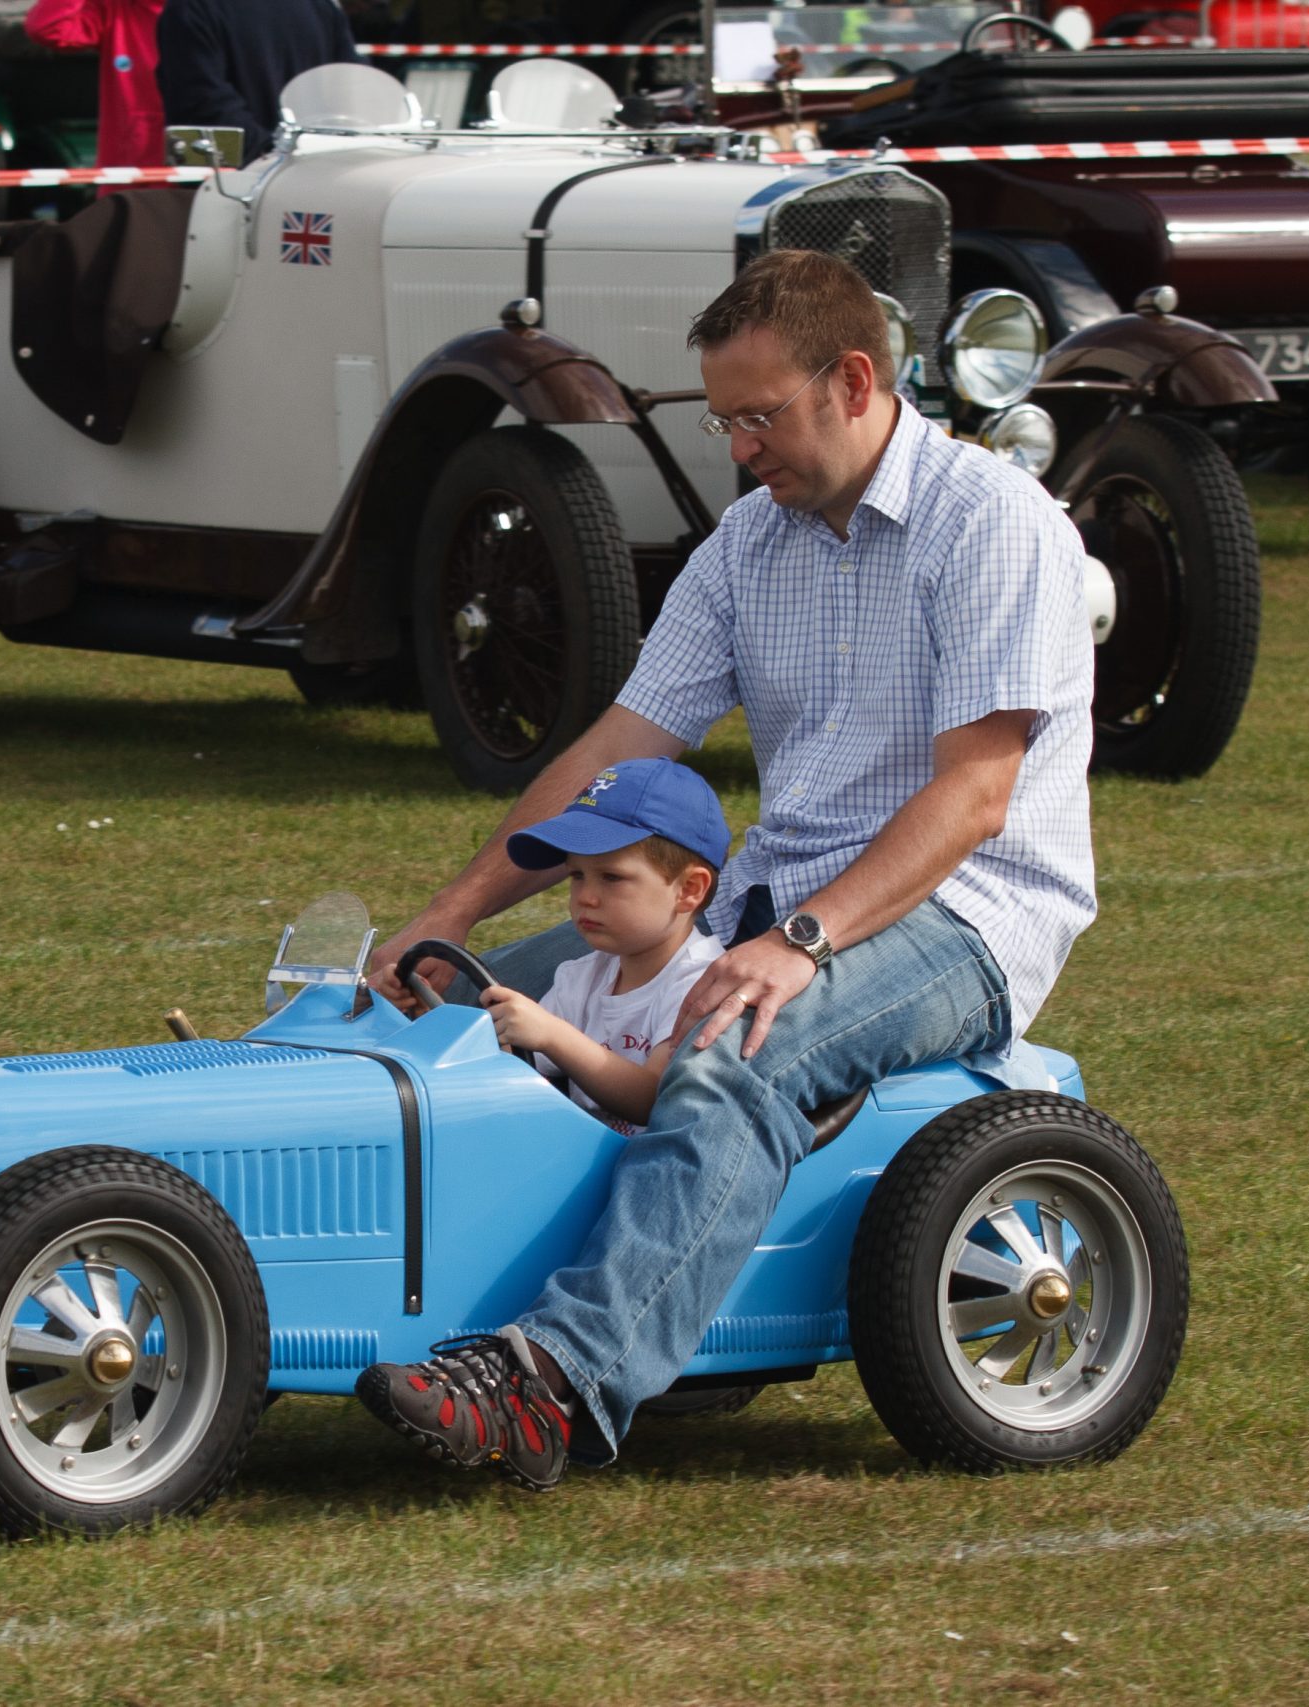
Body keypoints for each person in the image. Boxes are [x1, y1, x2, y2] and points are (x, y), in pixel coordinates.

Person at [357, 249, 1098, 1491]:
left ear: (852, 381)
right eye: (724, 420)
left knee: (735, 1045)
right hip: (774, 898)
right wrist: (449, 922)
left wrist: (795, 946)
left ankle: (557, 1385)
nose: (740, 449)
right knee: (468, 1019)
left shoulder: (997, 524)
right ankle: (406, 1324)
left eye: (759, 417)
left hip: (972, 915)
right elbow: (611, 757)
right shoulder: (748, 545)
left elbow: (975, 799)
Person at [479, 758, 731, 1136]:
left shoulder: (702, 984)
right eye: (577, 876)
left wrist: (551, 1034)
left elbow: (653, 1099)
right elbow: (516, 1065)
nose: (586, 898)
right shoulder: (581, 976)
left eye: (611, 878)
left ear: (689, 890)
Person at [155, 0, 360, 162]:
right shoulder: (322, 8)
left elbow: (203, 103)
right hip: (309, 179)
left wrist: (276, 156)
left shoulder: (191, 7)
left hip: (238, 187)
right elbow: (355, 94)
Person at [27, 0, 166, 175]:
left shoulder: (202, 12)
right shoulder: (114, 8)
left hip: (195, 174)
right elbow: (48, 29)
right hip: (128, 177)